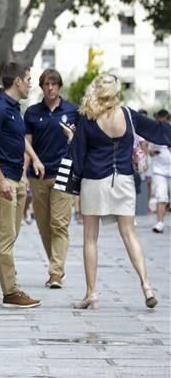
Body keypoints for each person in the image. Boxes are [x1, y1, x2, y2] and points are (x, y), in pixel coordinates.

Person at [67, 74, 171, 309]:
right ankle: (146, 286)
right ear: (115, 92)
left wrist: (70, 139)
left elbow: (78, 154)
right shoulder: (128, 115)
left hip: (94, 181)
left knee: (90, 238)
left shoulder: (87, 117)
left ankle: (91, 293)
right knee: (129, 234)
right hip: (123, 180)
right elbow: (158, 131)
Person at [0, 62, 45, 309]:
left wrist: (35, 158)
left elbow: (18, 139)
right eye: (28, 79)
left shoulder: (15, 108)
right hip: (1, 180)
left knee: (9, 235)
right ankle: (11, 291)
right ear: (16, 81)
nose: (30, 83)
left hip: (15, 178)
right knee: (5, 237)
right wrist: (0, 179)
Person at [23, 68, 79, 288]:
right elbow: (26, 142)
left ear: (59, 86)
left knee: (59, 224)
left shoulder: (73, 111)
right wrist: (23, 172)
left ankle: (55, 272)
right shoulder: (32, 112)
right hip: (37, 175)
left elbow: (81, 141)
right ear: (41, 87)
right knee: (44, 225)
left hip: (64, 171)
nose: (50, 87)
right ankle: (55, 263)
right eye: (46, 84)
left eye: (54, 84)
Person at [149, 109, 171, 233]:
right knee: (161, 196)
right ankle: (160, 223)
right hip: (159, 171)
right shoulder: (154, 133)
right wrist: (153, 152)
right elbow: (149, 150)